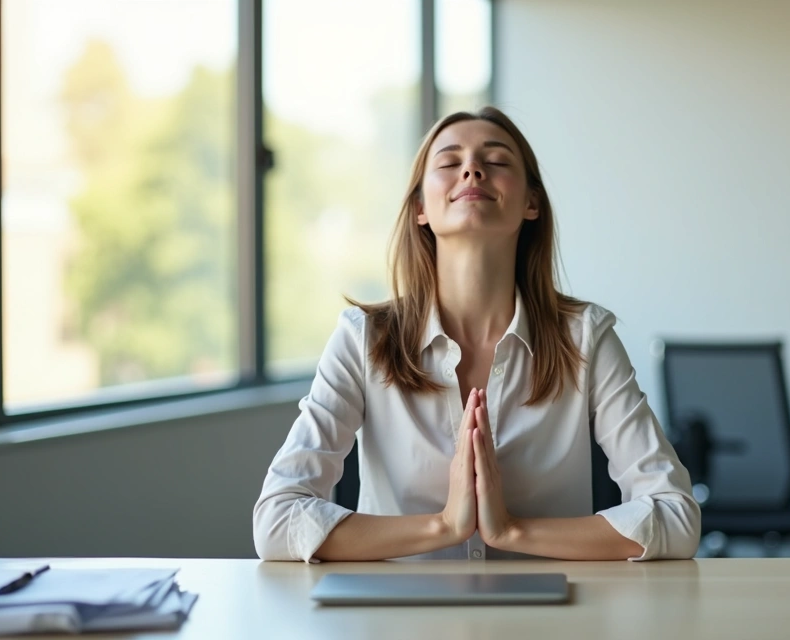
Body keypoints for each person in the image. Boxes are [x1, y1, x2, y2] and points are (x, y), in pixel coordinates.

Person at [253, 107, 699, 562]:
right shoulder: (362, 340)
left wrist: (511, 531)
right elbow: (277, 521)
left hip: (552, 622)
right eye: (449, 163)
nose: (472, 169)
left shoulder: (586, 338)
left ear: (531, 203)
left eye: (498, 161)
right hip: (399, 622)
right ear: (421, 208)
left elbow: (676, 516)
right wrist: (444, 526)